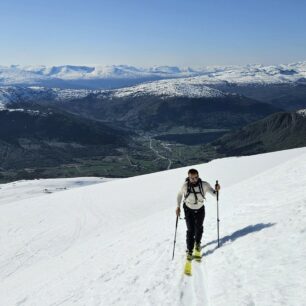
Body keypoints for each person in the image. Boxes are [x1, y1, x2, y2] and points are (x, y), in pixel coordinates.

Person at [176, 168, 220, 261]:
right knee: (190, 230)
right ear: (188, 177)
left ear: (198, 176)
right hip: (188, 209)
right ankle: (190, 250)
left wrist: (217, 189)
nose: (194, 180)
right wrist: (178, 206)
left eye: (195, 177)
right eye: (192, 178)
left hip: (200, 209)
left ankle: (197, 243)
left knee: (199, 227)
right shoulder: (185, 186)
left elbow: (215, 194)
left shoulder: (204, 185)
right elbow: (179, 195)